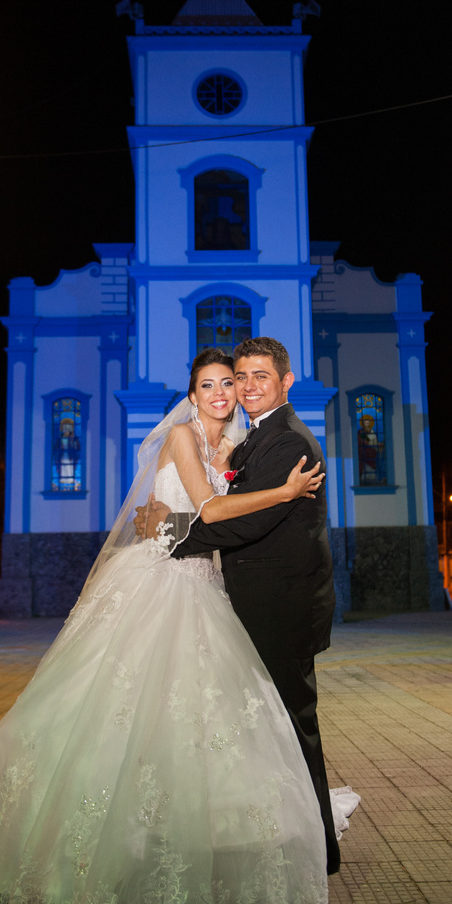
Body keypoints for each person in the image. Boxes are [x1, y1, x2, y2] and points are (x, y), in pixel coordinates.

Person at [0, 349, 333, 904]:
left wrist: (167, 519)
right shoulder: (186, 439)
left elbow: (197, 517)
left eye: (232, 382)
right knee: (121, 704)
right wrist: (279, 495)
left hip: (209, 584)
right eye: (212, 384)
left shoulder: (238, 450)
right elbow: (209, 510)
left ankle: (187, 835)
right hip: (162, 583)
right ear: (191, 396)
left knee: (194, 717)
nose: (224, 392)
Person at [137, 337, 342, 873]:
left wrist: (168, 536)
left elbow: (244, 521)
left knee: (292, 723)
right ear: (193, 393)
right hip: (235, 596)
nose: (244, 387)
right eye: (236, 377)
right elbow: (222, 503)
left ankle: (319, 848)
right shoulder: (248, 438)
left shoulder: (287, 442)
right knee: (249, 721)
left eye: (255, 377)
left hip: (281, 605)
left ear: (286, 380)